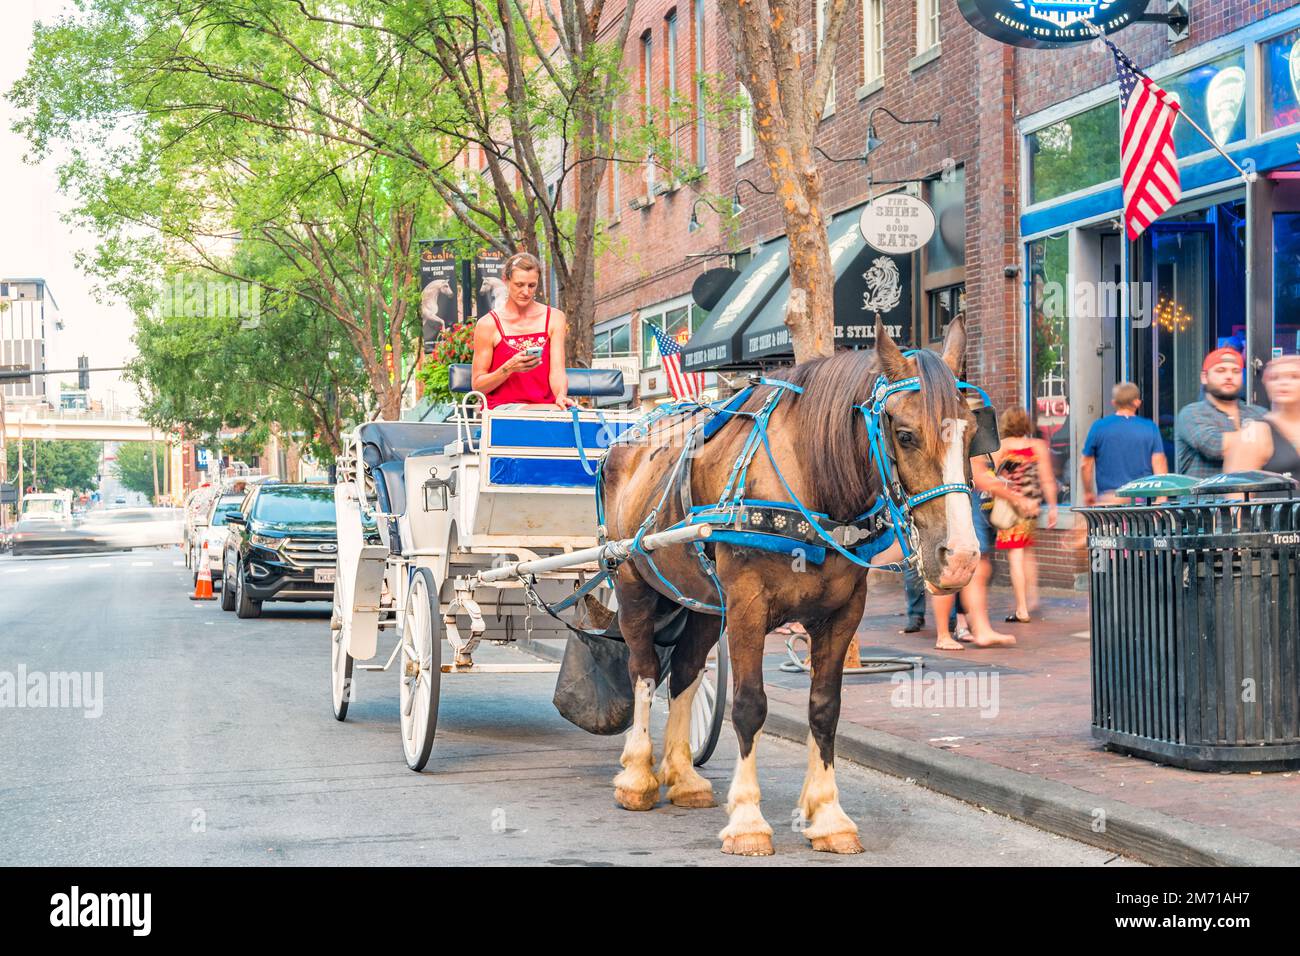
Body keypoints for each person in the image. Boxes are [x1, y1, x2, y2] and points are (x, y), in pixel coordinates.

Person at [931, 456, 1037, 650]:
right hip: (957, 506)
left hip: (971, 508)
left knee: (980, 567)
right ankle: (944, 634)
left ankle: (981, 629)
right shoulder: (962, 432)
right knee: (949, 570)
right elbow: (979, 476)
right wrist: (1015, 497)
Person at [470, 252, 575, 410]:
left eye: (532, 285)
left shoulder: (554, 318)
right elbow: (478, 386)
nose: (526, 292)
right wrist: (508, 368)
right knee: (560, 414)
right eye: (519, 285)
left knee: (573, 414)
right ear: (506, 280)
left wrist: (560, 395)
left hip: (546, 409)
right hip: (502, 409)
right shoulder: (488, 324)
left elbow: (557, 370)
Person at [991, 407, 1057, 624]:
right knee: (1028, 552)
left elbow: (992, 479)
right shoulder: (1038, 446)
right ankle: (1033, 598)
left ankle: (1021, 609)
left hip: (1010, 507)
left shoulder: (1001, 447)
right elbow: (1047, 480)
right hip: (1032, 506)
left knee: (1016, 557)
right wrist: (1053, 507)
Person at [1174, 347, 1266, 479]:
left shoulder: (1258, 413)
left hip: (1253, 498)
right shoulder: (1192, 413)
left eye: (1236, 371)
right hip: (1205, 498)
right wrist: (1262, 437)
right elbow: (1214, 446)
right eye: (1221, 370)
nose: (1229, 376)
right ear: (1204, 377)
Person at [1080, 382, 1167, 505]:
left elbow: (1085, 465)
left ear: (1114, 403)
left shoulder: (1099, 427)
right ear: (1138, 402)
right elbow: (1159, 462)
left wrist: (1088, 492)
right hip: (1141, 504)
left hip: (1109, 502)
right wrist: (1161, 498)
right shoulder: (1150, 427)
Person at [1224, 354, 1300, 479]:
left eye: (1294, 376)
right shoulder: (1255, 433)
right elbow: (1237, 493)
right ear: (1266, 384)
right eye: (1274, 378)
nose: (1283, 382)